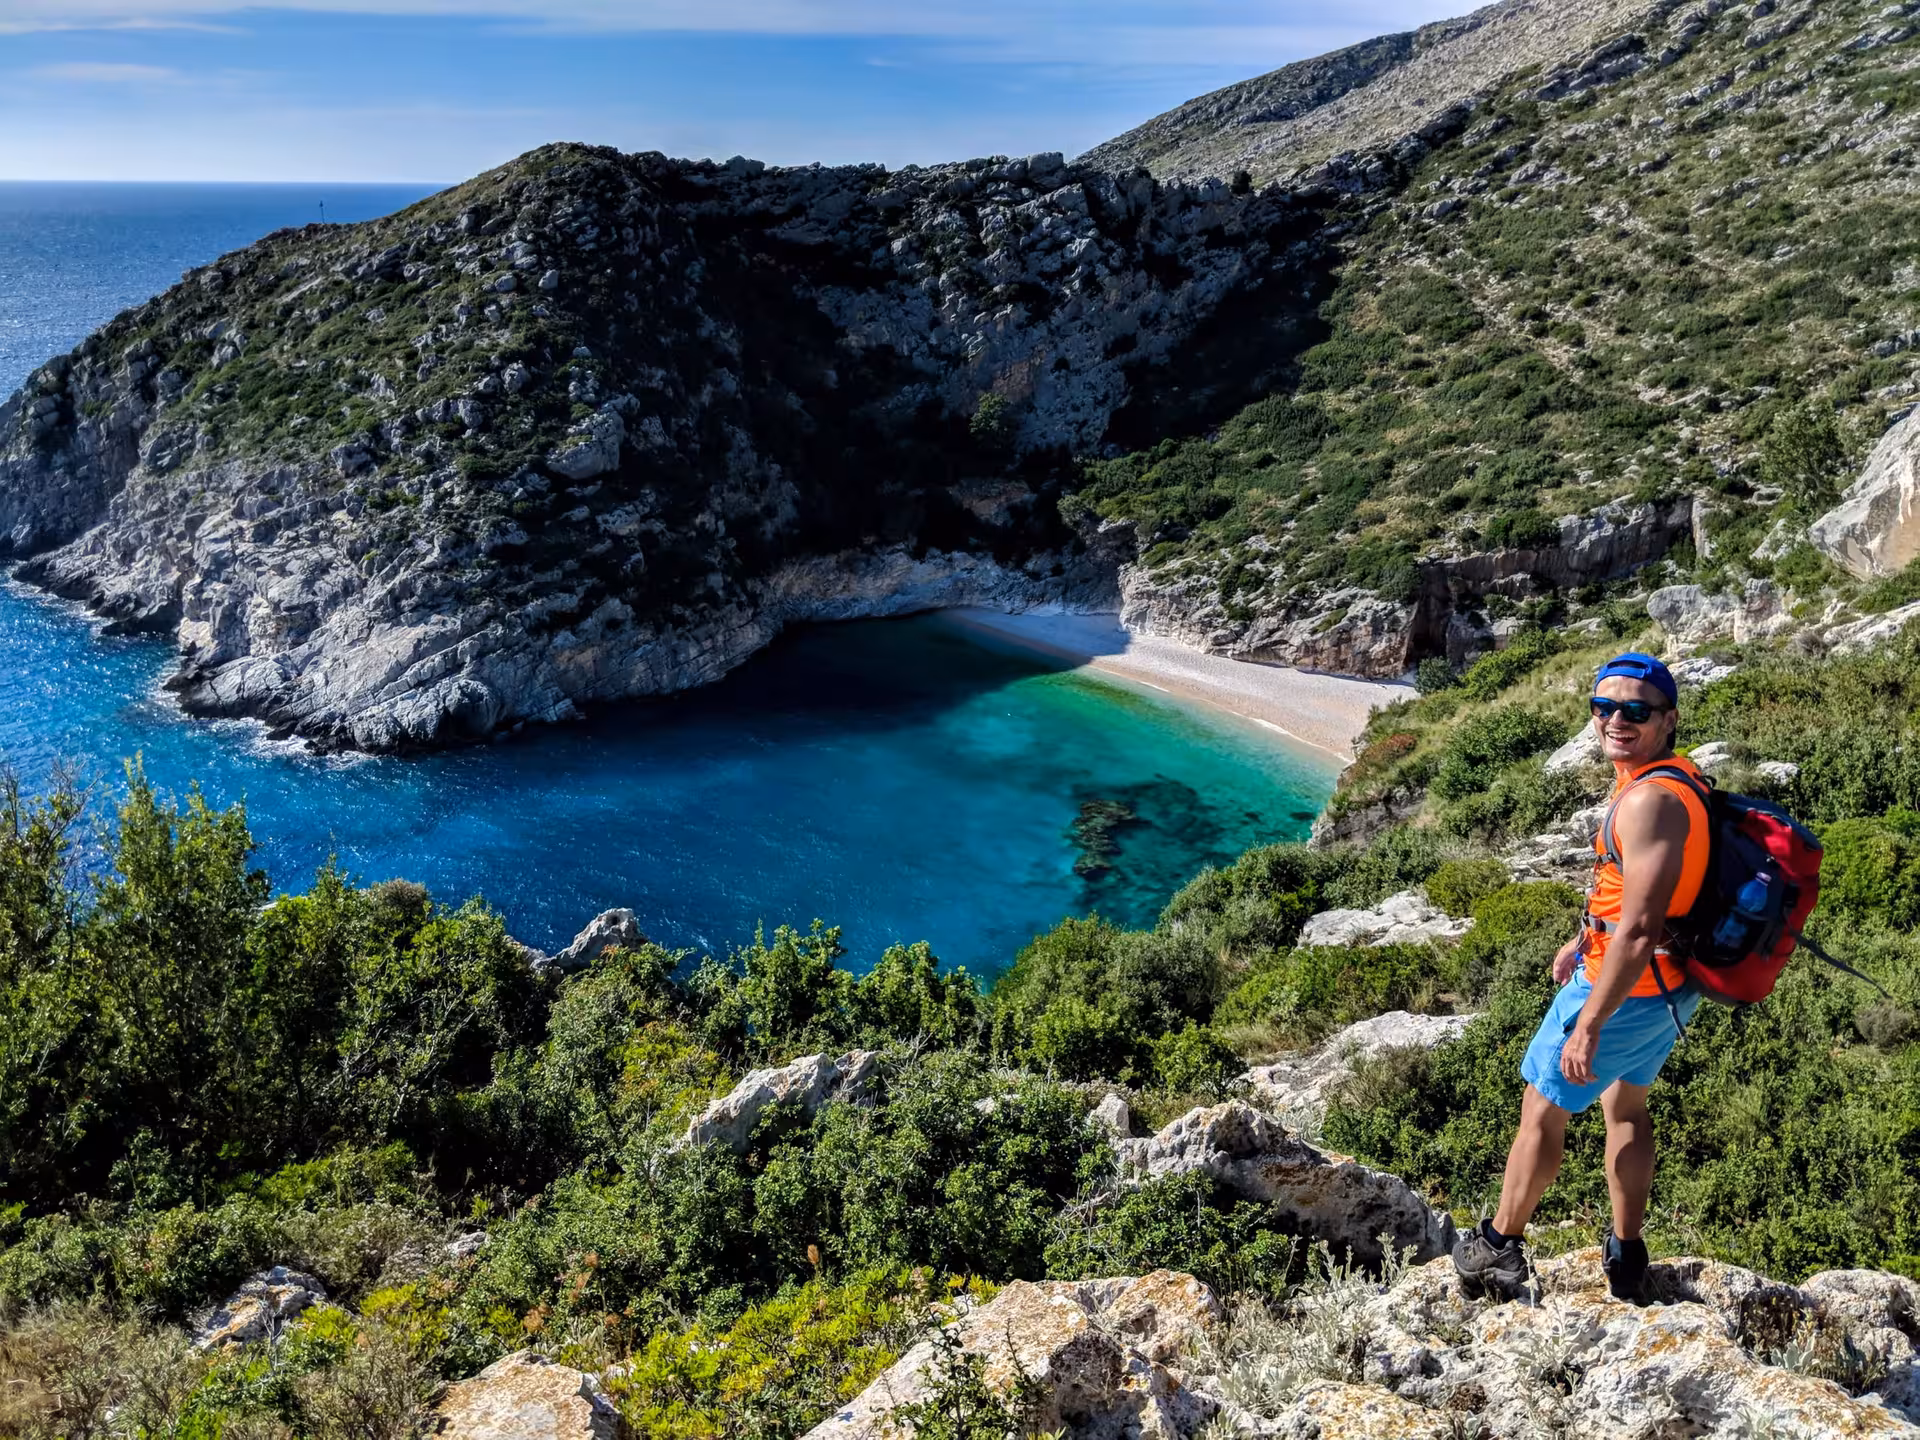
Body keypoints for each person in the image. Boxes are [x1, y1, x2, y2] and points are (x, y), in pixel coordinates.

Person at [1452, 651, 1707, 1304]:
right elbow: (1637, 896)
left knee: (1541, 1109)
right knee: (1625, 1105)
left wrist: (1589, 1022)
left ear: (1668, 718)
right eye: (1604, 707)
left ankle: (1498, 1248)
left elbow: (1642, 927)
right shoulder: (1674, 779)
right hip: (1669, 991)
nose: (1615, 720)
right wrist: (1580, 936)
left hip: (1623, 991)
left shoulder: (1649, 800)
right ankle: (1627, 1255)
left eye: (1635, 710)